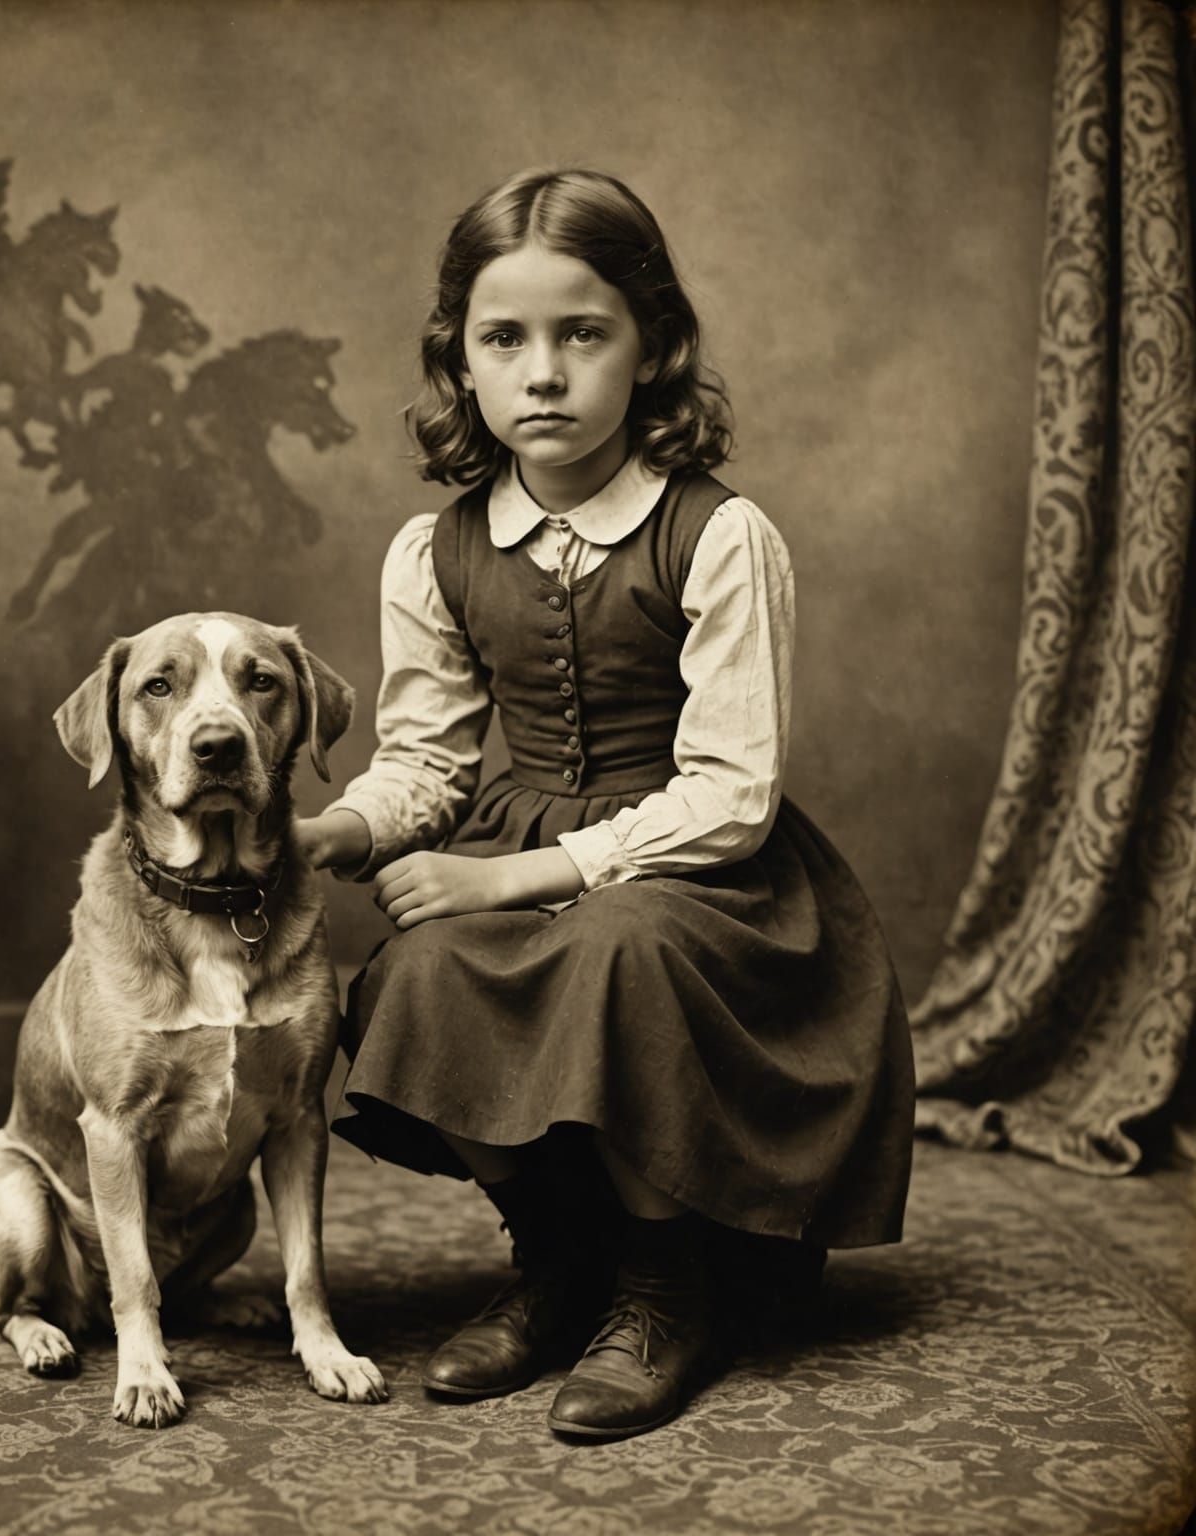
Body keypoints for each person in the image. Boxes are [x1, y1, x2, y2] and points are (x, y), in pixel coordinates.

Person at [294, 167, 914, 1442]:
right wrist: (334, 833)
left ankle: (662, 1287)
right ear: (459, 363)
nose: (544, 374)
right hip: (514, 845)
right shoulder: (437, 550)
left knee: (618, 950)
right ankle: (557, 1263)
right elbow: (429, 762)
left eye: (583, 334)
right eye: (503, 339)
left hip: (702, 880)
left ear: (654, 349)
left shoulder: (719, 535)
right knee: (416, 972)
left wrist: (519, 875)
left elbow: (734, 796)